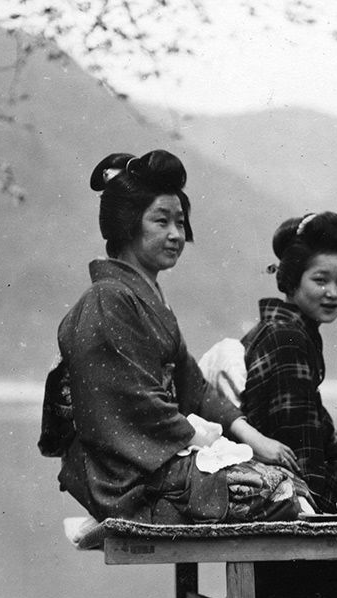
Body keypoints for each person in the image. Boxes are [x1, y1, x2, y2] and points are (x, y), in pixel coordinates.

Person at [42, 149, 302, 526]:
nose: (176, 234)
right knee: (272, 490)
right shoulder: (107, 298)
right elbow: (134, 405)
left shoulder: (148, 300)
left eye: (180, 222)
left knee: (285, 483)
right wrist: (215, 445)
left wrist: (253, 438)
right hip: (124, 475)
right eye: (161, 221)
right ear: (128, 224)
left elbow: (193, 389)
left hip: (160, 458)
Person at [198, 211, 337, 598]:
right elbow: (296, 432)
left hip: (268, 469)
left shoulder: (294, 328)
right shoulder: (287, 337)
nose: (334, 292)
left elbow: (314, 414)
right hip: (273, 481)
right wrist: (321, 501)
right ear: (292, 280)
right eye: (321, 279)